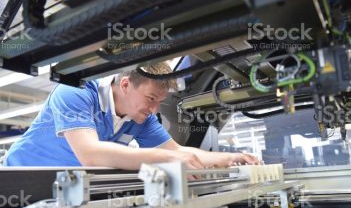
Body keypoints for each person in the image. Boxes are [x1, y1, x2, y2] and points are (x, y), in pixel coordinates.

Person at [3, 62, 259, 171]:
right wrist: (167, 158)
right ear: (125, 84)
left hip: (62, 189)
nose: (155, 110)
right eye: (151, 99)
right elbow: (90, 154)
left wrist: (231, 157)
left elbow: (177, 149)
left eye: (160, 102)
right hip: (21, 181)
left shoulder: (142, 119)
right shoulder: (75, 92)